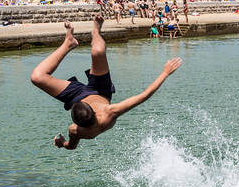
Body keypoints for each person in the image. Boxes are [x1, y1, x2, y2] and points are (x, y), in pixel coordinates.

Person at [30, 15, 182, 150]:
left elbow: (71, 146)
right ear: (94, 112)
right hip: (100, 90)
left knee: (37, 77)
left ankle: (68, 43)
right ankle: (96, 31)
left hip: (75, 95)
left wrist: (61, 143)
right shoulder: (110, 112)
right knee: (98, 51)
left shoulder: (75, 130)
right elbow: (145, 95)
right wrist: (165, 72)